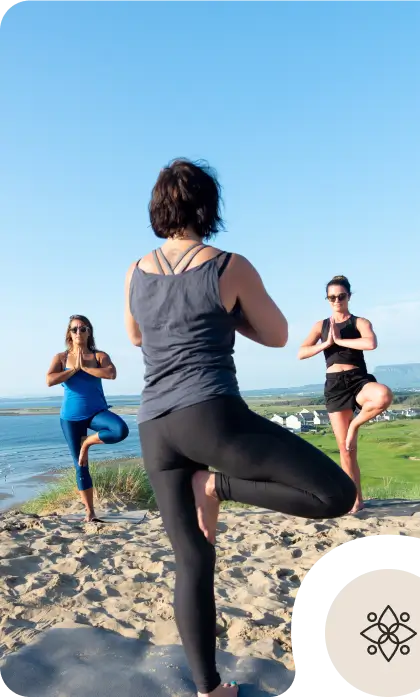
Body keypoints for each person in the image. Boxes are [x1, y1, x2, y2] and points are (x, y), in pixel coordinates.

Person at [124, 158, 357, 697]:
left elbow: (136, 336)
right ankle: (218, 486)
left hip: (154, 426)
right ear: (208, 207)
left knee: (192, 559)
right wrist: (223, 312)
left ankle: (208, 689)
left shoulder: (134, 269)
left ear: (159, 207)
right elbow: (277, 335)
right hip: (211, 417)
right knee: (335, 493)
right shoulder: (228, 265)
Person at [297, 275, 393, 513]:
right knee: (346, 450)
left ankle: (354, 426)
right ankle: (355, 500)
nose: (337, 300)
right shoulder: (321, 326)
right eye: (332, 297)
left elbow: (371, 343)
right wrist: (325, 344)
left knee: (383, 396)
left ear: (349, 296)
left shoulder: (360, 322)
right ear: (327, 299)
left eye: (341, 296)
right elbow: (301, 352)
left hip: (358, 379)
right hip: (334, 385)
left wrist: (341, 340)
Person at [46, 315, 129, 522]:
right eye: (74, 329)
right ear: (69, 333)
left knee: (120, 430)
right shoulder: (61, 358)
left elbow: (111, 373)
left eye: (83, 329)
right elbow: (49, 380)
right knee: (80, 466)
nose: (78, 332)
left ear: (89, 332)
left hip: (96, 413)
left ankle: (88, 444)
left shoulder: (99, 355)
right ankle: (90, 513)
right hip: (71, 419)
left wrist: (85, 368)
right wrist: (73, 370)